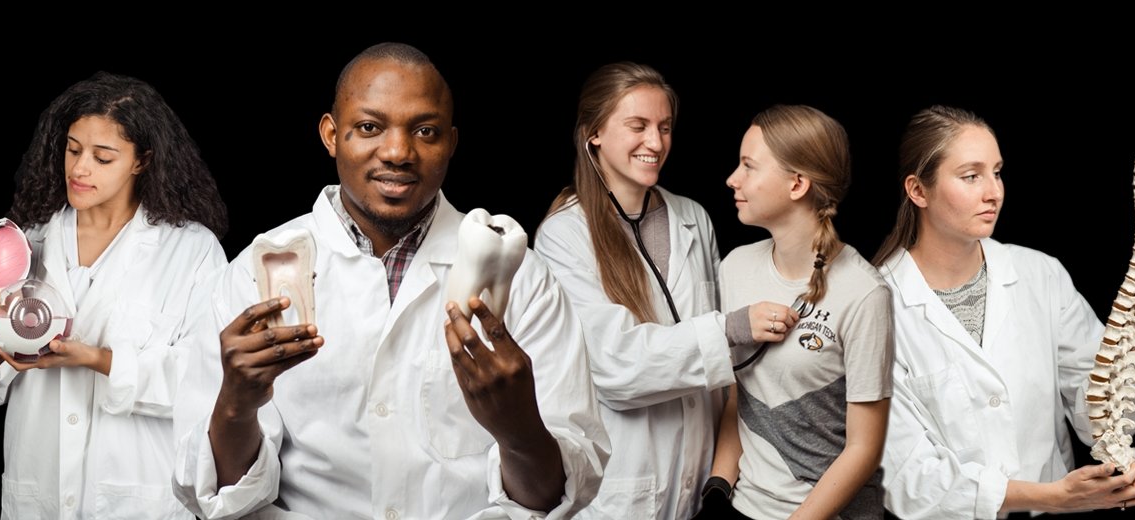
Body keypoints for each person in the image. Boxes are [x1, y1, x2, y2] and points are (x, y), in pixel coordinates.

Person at [170, 42, 608, 519]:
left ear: (452, 143)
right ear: (331, 135)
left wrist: (519, 431)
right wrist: (236, 404)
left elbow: (557, 496)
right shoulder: (254, 274)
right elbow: (214, 496)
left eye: (425, 131)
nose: (398, 152)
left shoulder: (522, 278)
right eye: (369, 127)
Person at [873, 106, 1135, 518]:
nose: (993, 192)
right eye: (971, 176)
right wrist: (1054, 497)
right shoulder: (875, 309)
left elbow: (1097, 421)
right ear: (918, 191)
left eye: (997, 172)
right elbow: (907, 477)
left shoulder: (1040, 275)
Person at [533, 62, 801, 519]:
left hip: (701, 480)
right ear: (594, 133)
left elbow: (726, 368)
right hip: (620, 486)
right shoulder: (564, 236)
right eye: (637, 126)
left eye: (664, 127)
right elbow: (615, 366)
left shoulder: (692, 218)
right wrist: (733, 328)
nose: (655, 143)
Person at [0, 72, 228, 518]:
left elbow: (204, 382)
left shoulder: (191, 251)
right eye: (73, 148)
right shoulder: (29, 242)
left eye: (103, 158)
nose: (79, 169)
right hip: (38, 488)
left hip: (137, 494)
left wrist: (98, 359)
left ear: (142, 161)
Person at [711, 105, 893, 519]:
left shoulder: (864, 293)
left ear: (797, 184)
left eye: (748, 166)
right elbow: (739, 394)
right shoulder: (734, 267)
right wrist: (717, 490)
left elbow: (864, 448)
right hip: (747, 508)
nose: (732, 179)